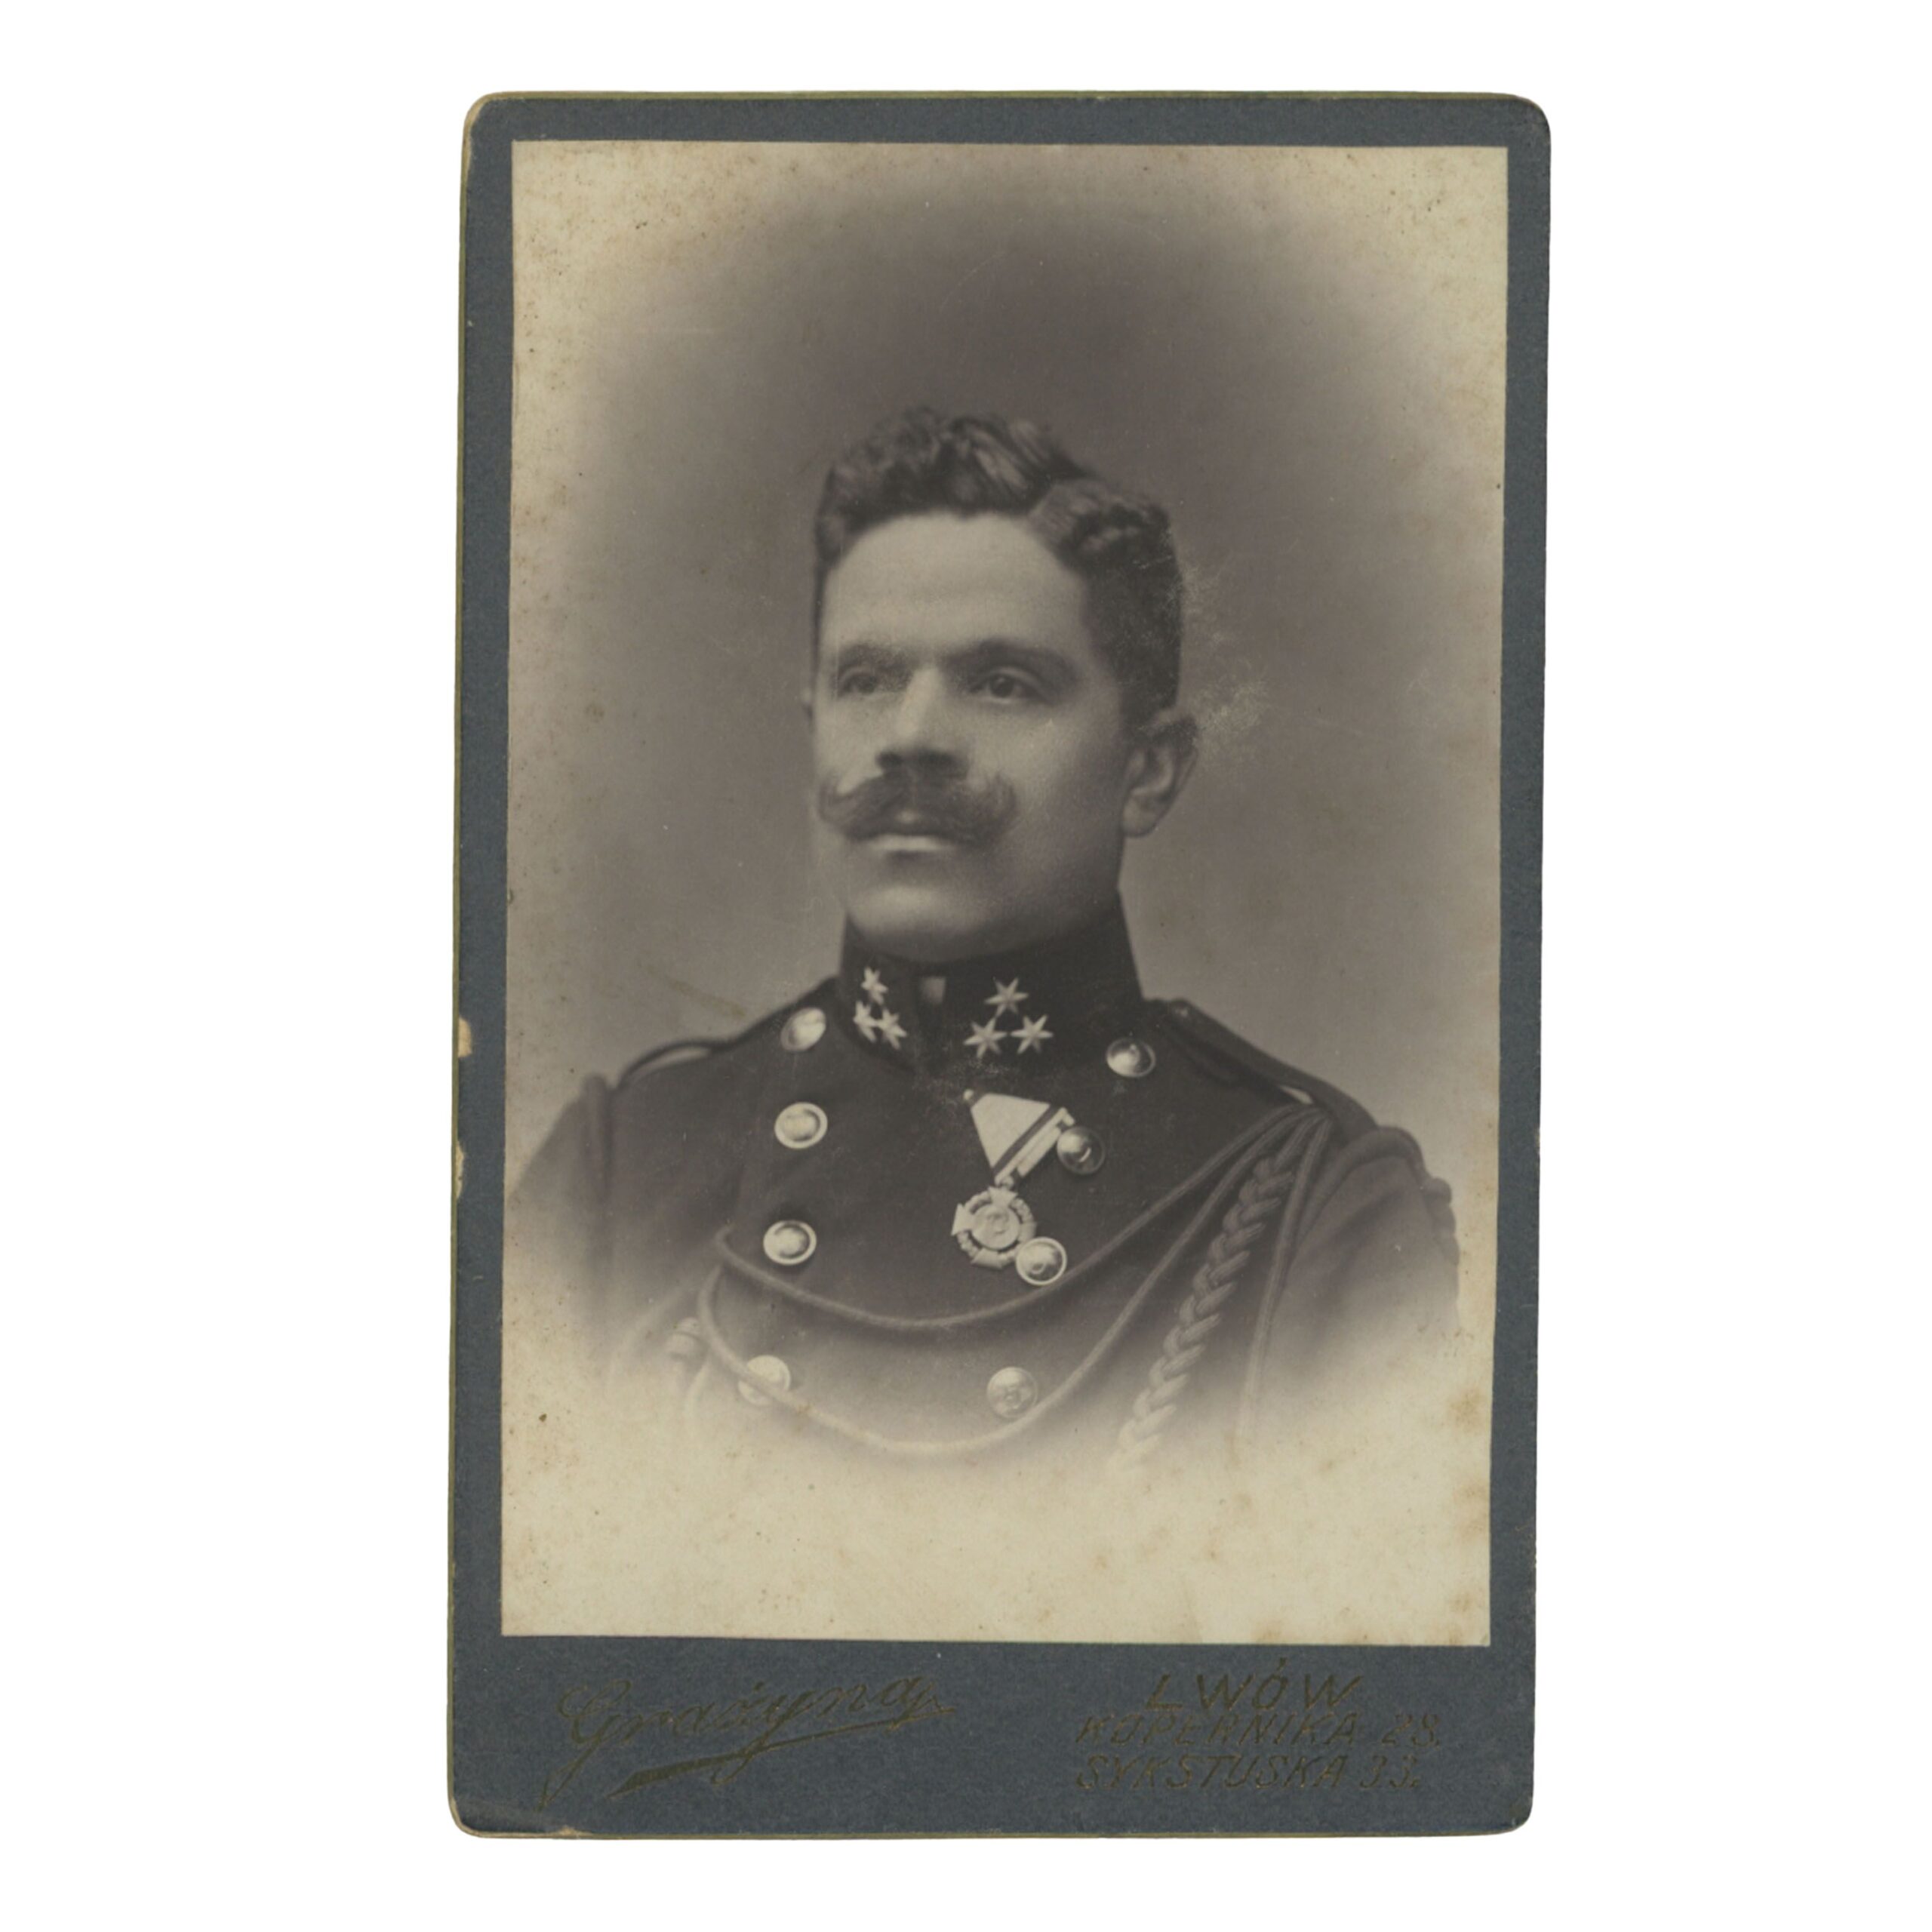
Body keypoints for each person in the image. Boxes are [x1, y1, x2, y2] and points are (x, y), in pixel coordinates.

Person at [510, 408, 1457, 1472]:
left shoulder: (1308, 1208)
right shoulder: (619, 1171)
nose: (911, 737)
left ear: (1147, 771)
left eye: (1003, 683)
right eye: (866, 680)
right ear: (815, 725)